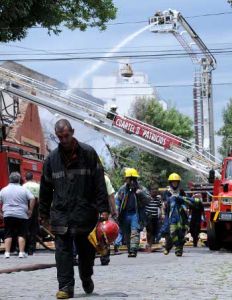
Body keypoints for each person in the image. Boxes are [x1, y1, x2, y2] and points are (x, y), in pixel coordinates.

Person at [39, 119, 109, 299]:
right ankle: (65, 287)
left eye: (67, 136)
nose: (64, 140)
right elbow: (45, 189)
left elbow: (99, 183)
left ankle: (86, 277)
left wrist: (103, 210)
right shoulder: (52, 160)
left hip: (84, 213)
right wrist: (43, 213)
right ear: (57, 136)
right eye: (60, 137)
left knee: (86, 253)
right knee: (62, 252)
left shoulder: (89, 153)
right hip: (61, 214)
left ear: (73, 132)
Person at [162, 173, 200, 257]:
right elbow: (165, 202)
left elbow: (186, 201)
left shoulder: (181, 191)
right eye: (173, 182)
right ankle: (168, 247)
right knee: (169, 233)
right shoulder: (166, 192)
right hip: (170, 214)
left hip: (181, 215)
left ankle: (179, 250)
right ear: (170, 182)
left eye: (176, 182)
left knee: (181, 233)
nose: (174, 184)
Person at [116, 168, 151, 258]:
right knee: (126, 234)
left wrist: (141, 193)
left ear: (136, 179)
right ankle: (129, 249)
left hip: (136, 214)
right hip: (125, 214)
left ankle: (133, 250)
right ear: (126, 179)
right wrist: (116, 212)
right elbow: (117, 201)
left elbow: (148, 200)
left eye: (133, 179)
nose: (131, 181)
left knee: (135, 232)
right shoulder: (122, 189)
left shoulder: (141, 189)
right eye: (129, 179)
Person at [0, 172, 35, 258]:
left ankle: (7, 253)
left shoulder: (4, 190)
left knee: (8, 233)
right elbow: (32, 198)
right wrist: (30, 210)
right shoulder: (23, 189)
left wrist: (0, 213)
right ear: (19, 180)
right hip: (21, 214)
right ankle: (21, 252)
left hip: (8, 214)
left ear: (9, 179)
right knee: (21, 233)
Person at [100, 172, 117, 266]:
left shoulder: (86, 176)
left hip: (89, 210)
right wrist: (114, 210)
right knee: (104, 233)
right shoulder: (105, 178)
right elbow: (111, 195)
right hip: (103, 210)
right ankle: (104, 257)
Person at [23, 171, 40, 255]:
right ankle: (31, 248)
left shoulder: (23, 186)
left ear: (25, 178)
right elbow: (40, 199)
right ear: (33, 177)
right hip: (35, 209)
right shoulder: (37, 186)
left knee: (26, 228)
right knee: (33, 228)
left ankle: (25, 247)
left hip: (25, 208)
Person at [145, 185, 162, 252]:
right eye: (153, 190)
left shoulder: (158, 199)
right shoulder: (147, 198)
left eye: (156, 190)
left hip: (155, 217)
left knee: (154, 232)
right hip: (148, 216)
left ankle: (150, 245)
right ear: (150, 191)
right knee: (149, 231)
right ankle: (149, 244)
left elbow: (160, 206)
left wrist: (161, 214)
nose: (154, 191)